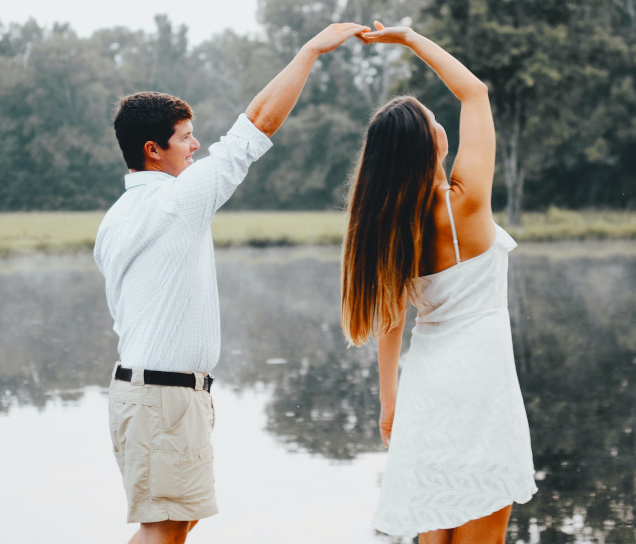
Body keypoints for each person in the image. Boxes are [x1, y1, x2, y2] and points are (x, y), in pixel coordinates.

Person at [94, 22, 370, 544]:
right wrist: (310, 51)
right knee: (166, 528)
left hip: (155, 394)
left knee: (176, 523)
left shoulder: (119, 216)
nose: (195, 145)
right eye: (185, 137)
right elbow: (254, 129)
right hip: (162, 397)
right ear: (154, 149)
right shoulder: (176, 203)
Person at [341, 22, 538, 543]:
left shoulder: (391, 230)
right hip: (481, 388)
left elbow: (390, 316)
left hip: (428, 387)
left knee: (435, 531)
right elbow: (474, 91)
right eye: (431, 117)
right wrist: (410, 39)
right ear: (430, 139)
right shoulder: (465, 203)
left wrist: (389, 400)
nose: (438, 118)